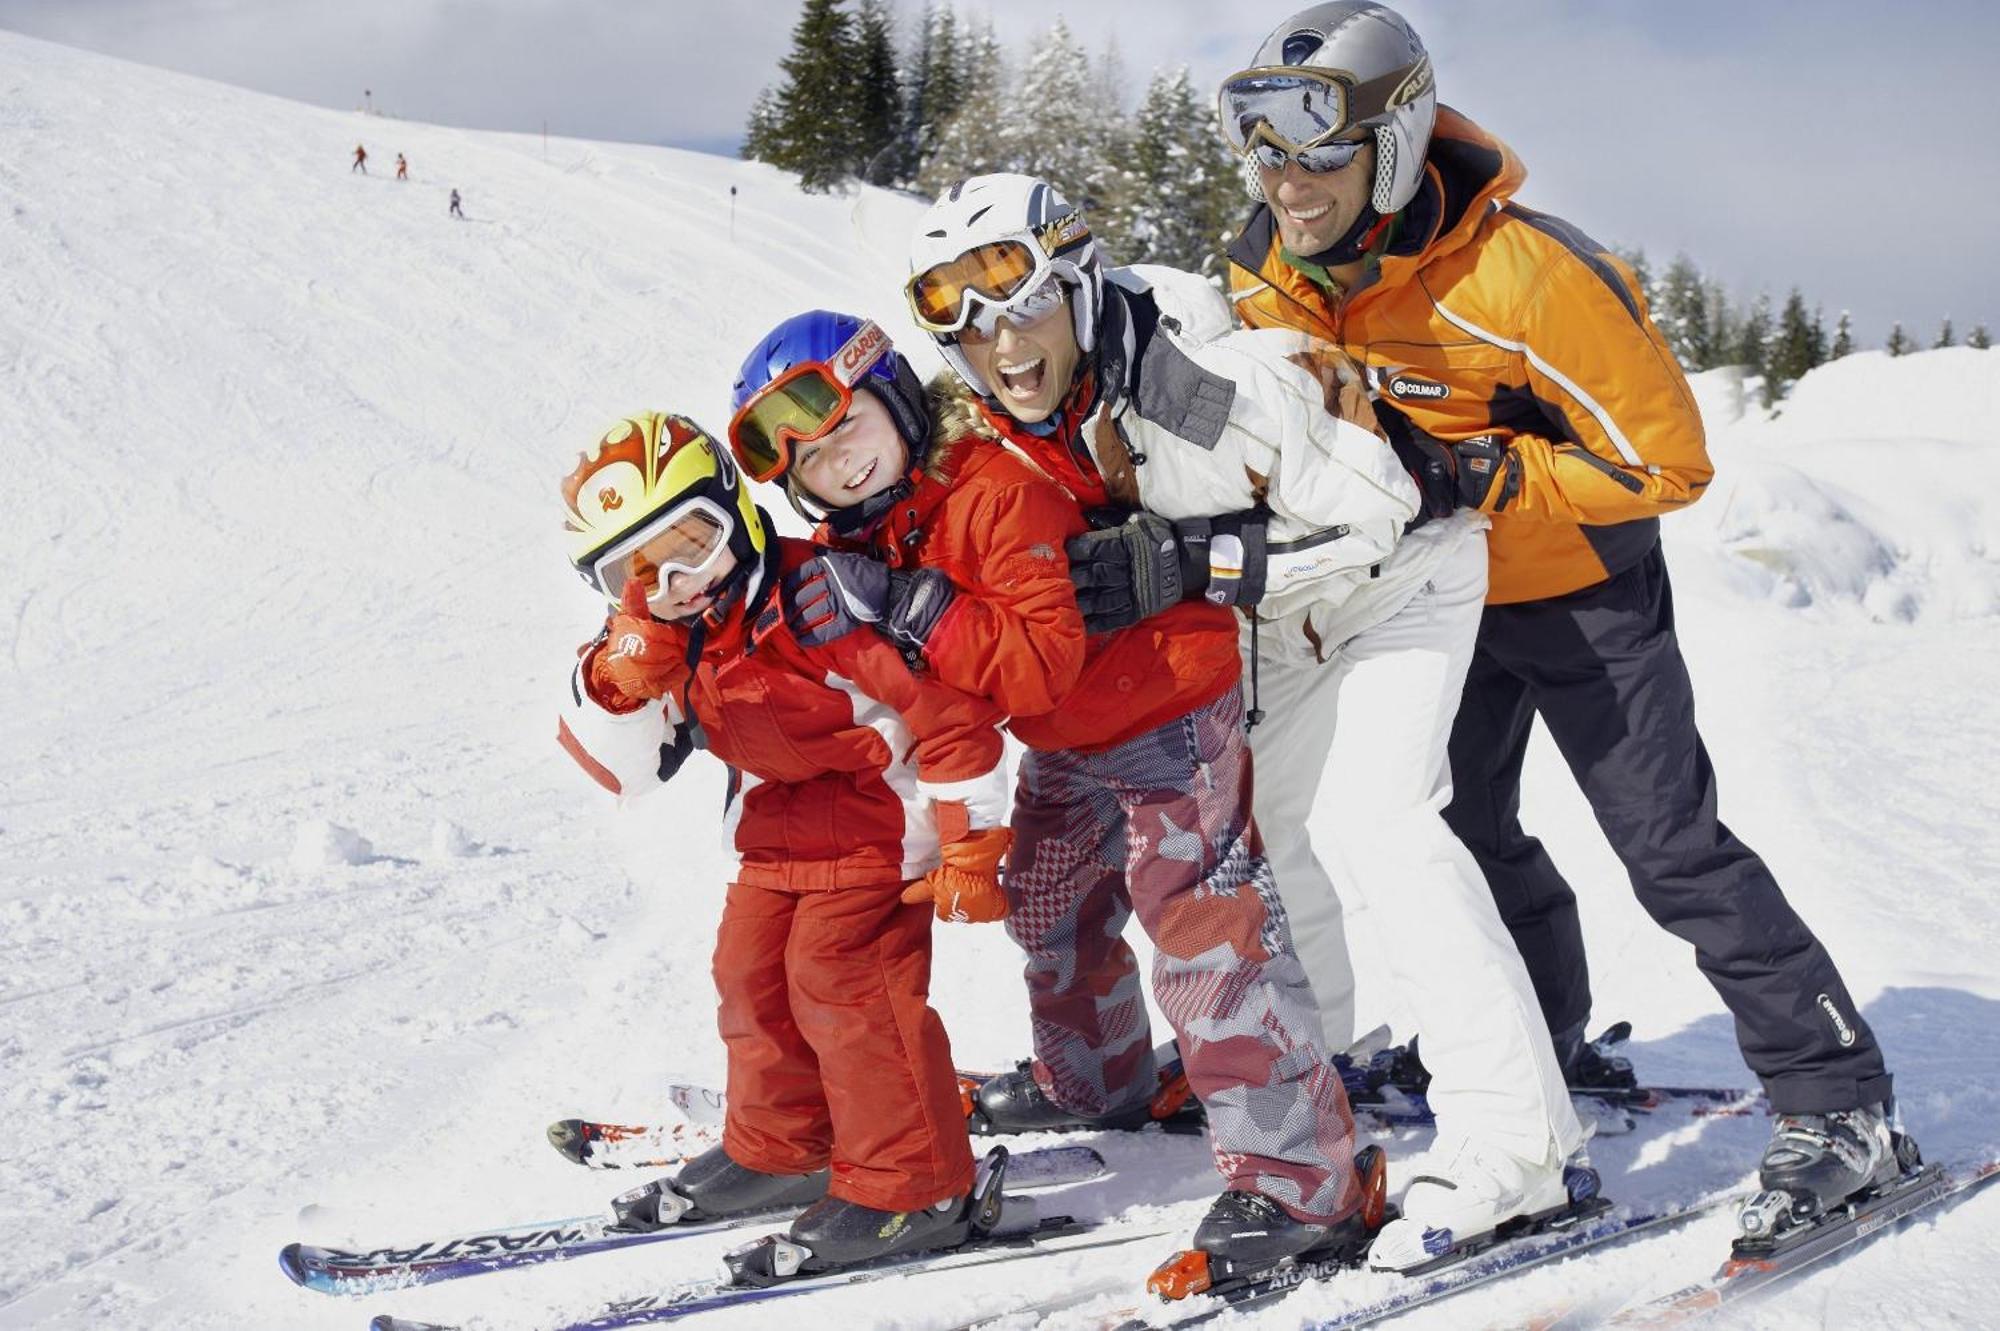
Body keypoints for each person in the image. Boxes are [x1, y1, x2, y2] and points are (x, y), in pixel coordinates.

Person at [1220, 0, 1902, 1215]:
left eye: (1316, 146)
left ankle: (1836, 1094)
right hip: (1438, 591)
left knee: (1669, 847)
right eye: (1260, 146)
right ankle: (1537, 1038)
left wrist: (1484, 476)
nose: (1285, 178)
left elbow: (1666, 466)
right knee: (1458, 831)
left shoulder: (1530, 277)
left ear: (1391, 137)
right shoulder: (1273, 269)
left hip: (1583, 590)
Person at [911, 172, 1586, 1270]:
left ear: (1077, 284)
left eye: (1021, 301)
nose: (1001, 343)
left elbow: (1387, 512)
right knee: (1258, 828)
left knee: (1381, 824)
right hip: (1275, 618)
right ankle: (1306, 1078)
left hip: (1396, 580)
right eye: (964, 321)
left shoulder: (1199, 385)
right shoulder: (1018, 414)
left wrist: (1191, 560)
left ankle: (1521, 1143)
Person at [727, 306, 1372, 1274]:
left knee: (1203, 933)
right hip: (1068, 732)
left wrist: (909, 605)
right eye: (810, 463)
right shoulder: (881, 528)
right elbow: (951, 688)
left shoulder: (989, 491)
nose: (840, 464)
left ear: (895, 403)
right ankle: (1097, 1079)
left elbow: (1029, 660)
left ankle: (1301, 1182)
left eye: (848, 429)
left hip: (1161, 709)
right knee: (1045, 900)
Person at [554, 411, 1014, 1266]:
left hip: (880, 822)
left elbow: (946, 713)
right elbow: (623, 771)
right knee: (750, 976)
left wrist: (971, 840)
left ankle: (917, 1184)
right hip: (772, 834)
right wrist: (622, 676)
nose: (678, 581)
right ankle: (784, 1148)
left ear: (735, 505)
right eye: (635, 571)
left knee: (845, 985)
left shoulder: (824, 596)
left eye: (693, 540)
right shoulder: (667, 641)